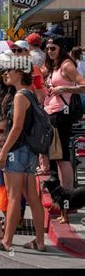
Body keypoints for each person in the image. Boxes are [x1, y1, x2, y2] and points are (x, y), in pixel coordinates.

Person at [0, 53, 46, 252]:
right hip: (30, 151)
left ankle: (6, 241)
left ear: (19, 72)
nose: (5, 73)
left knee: (14, 196)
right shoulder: (30, 93)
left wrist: (3, 152)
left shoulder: (19, 96)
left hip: (17, 150)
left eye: (9, 70)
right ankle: (39, 241)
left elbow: (16, 128)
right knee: (32, 197)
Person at [43, 37, 85, 222]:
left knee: (62, 159)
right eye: (47, 48)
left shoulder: (67, 65)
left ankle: (67, 204)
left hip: (62, 114)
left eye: (53, 48)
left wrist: (62, 89)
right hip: (53, 113)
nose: (49, 51)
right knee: (57, 158)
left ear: (61, 49)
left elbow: (83, 85)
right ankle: (63, 203)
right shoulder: (54, 65)